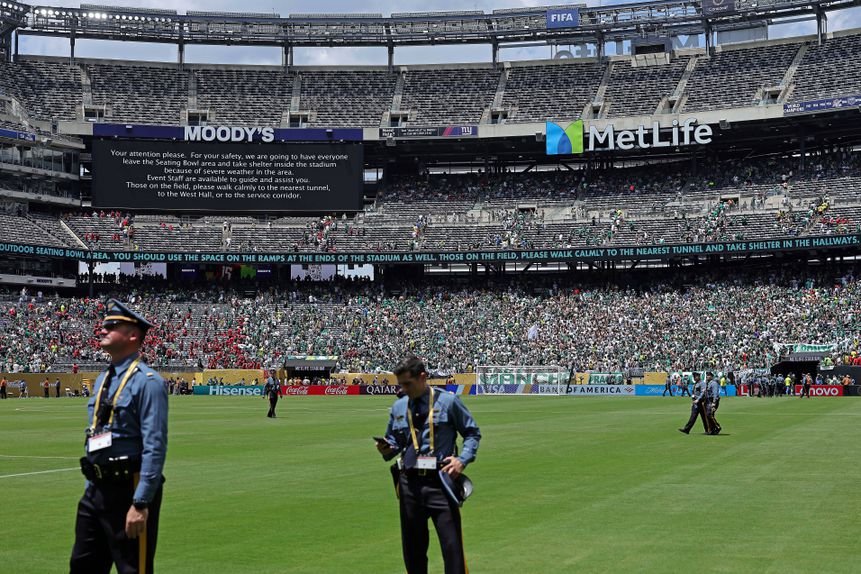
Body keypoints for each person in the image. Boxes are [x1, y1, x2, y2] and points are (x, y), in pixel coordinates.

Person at [69, 299, 168, 574]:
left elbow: (155, 445)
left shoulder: (149, 382)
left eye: (112, 326)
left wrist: (141, 502)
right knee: (82, 566)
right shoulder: (103, 378)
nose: (103, 329)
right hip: (96, 488)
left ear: (133, 335)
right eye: (103, 325)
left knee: (132, 568)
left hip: (130, 488)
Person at [376, 355, 481, 574]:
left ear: (422, 377)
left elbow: (472, 433)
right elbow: (395, 442)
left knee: (452, 550)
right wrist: (387, 448)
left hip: (441, 482)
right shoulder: (398, 407)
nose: (403, 389)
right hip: (409, 484)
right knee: (413, 552)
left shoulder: (448, 402)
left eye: (407, 383)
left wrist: (462, 460)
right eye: (400, 384)